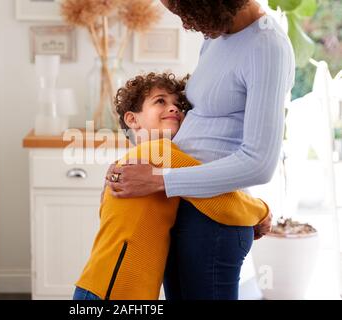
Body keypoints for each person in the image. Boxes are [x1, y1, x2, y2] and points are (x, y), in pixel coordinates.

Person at [105, 0, 295, 300]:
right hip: (180, 208)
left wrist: (159, 180)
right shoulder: (215, 38)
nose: (185, 23)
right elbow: (204, 128)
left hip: (212, 225)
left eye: (184, 11)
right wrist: (135, 165)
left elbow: (259, 163)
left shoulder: (267, 47)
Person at [73, 72, 271, 300]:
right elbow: (219, 199)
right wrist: (261, 212)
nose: (174, 109)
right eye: (160, 101)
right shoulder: (158, 152)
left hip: (104, 288)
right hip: (112, 292)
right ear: (132, 119)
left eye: (179, 105)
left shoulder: (131, 163)